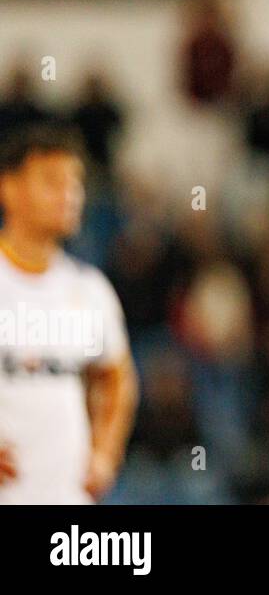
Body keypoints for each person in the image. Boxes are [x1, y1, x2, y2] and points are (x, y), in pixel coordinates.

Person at [0, 123, 138, 503]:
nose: (69, 195)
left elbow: (117, 377)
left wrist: (105, 453)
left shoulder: (89, 288)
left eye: (75, 183)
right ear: (9, 189)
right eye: (52, 182)